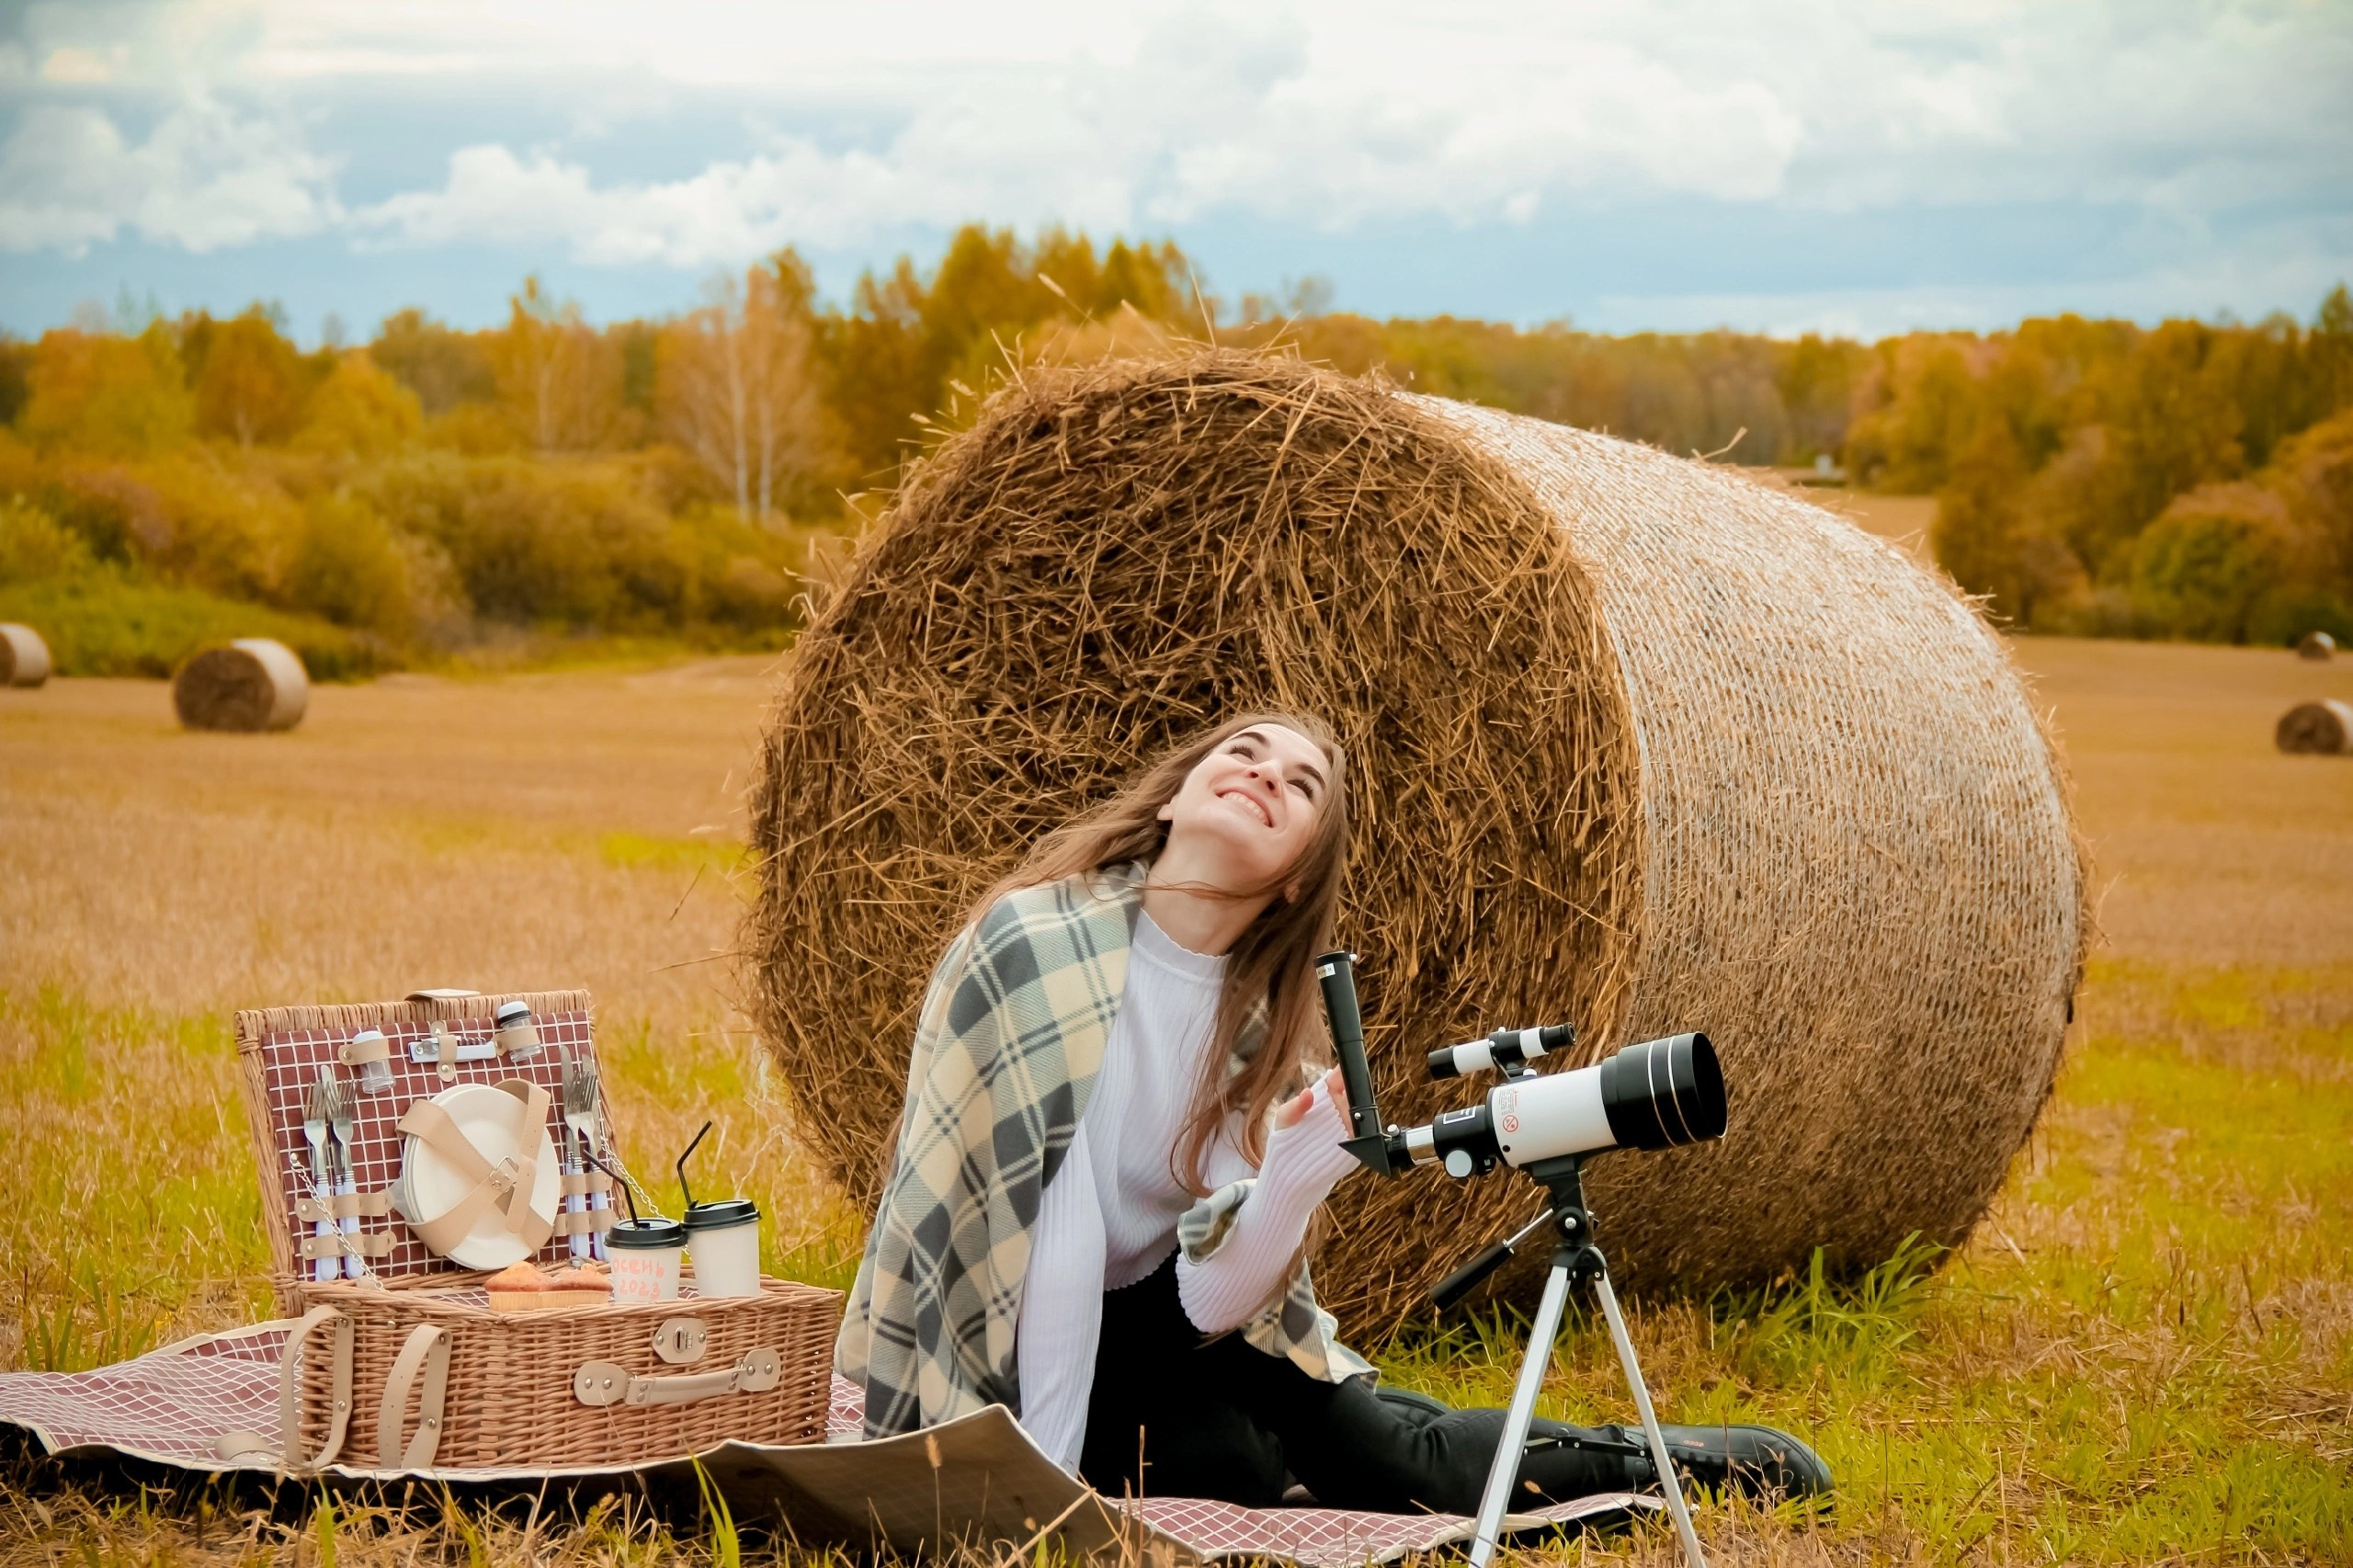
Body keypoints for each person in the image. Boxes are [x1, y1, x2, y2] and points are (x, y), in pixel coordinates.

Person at [836, 712, 1831, 1513]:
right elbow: (1053, 1231)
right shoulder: (1036, 941)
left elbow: (1205, 1300)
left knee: (1399, 1464)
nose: (1265, 773)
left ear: (1298, 874)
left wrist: (1291, 1181)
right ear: (1176, 797)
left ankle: (1667, 1458)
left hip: (1164, 1321)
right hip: (1016, 1320)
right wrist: (1039, 1504)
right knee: (1221, 1465)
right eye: (1243, 752)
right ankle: (1251, 1442)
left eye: (1299, 784)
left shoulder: (1258, 1034)